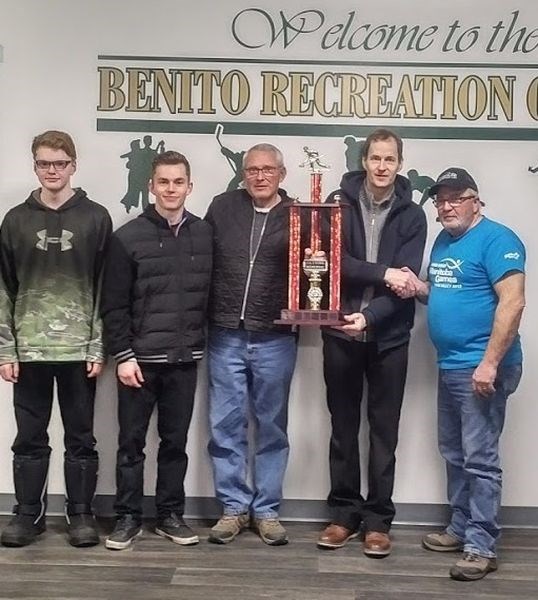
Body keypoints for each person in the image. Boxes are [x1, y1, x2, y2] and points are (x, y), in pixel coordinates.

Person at [391, 167, 526, 581]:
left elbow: (513, 303)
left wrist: (489, 363)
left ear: (476, 200)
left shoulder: (498, 239)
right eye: (440, 200)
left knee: (480, 459)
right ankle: (461, 526)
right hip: (451, 366)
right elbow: (445, 293)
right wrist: (419, 288)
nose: (446, 206)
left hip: (482, 368)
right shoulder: (446, 242)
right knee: (455, 453)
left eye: (455, 198)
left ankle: (481, 545)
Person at [317, 128, 427, 557]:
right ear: (364, 161)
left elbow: (409, 279)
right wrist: (382, 274)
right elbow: (328, 263)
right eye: (375, 158)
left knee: (384, 432)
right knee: (342, 429)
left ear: (399, 164)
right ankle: (343, 515)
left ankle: (379, 521)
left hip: (390, 336)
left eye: (390, 160)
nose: (382, 167)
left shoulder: (413, 215)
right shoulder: (336, 204)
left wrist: (371, 314)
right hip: (339, 331)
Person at [0, 130, 112, 548]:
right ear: (34, 165)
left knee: (81, 436)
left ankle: (80, 514)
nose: (52, 171)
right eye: (44, 163)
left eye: (60, 164)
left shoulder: (96, 218)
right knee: (29, 437)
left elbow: (106, 288)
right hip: (28, 349)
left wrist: (98, 345)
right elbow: (3, 288)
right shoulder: (15, 220)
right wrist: (5, 348)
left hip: (79, 349)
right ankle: (27, 514)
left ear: (73, 165)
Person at [101, 151, 212, 550]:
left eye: (178, 182)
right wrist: (124, 356)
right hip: (139, 363)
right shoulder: (127, 238)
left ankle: (169, 515)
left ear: (189, 186)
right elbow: (113, 305)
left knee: (175, 444)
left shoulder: (203, 234)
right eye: (163, 182)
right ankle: (127, 517)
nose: (170, 189)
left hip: (185, 360)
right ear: (151, 186)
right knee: (131, 445)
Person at [205, 143, 297, 546]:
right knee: (225, 426)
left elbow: (320, 267)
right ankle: (233, 508)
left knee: (272, 427)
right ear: (243, 174)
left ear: (282, 173)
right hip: (225, 332)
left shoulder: (299, 216)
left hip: (275, 336)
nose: (259, 176)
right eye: (252, 170)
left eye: (267, 169)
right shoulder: (222, 207)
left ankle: (267, 510)